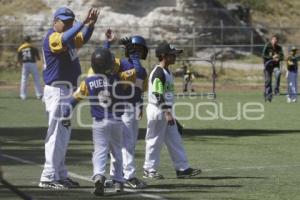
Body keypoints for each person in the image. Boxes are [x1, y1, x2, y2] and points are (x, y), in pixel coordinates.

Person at [39, 7, 99, 189]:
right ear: (55, 21)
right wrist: (81, 23)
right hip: (57, 91)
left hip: (67, 92)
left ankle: (60, 174)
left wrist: (91, 25)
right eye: (64, 22)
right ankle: (48, 176)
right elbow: (64, 38)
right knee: (56, 135)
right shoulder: (53, 37)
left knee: (63, 136)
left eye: (70, 22)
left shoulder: (69, 37)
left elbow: (83, 38)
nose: (68, 25)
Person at [64, 48, 126, 196]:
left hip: (99, 122)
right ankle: (118, 181)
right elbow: (129, 71)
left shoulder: (89, 81)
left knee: (99, 151)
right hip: (116, 121)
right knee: (117, 151)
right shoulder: (119, 78)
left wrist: (66, 113)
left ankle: (99, 176)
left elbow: (74, 99)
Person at [143, 42, 201, 179]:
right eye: (172, 54)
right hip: (158, 110)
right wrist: (167, 113)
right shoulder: (159, 72)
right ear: (163, 56)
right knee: (154, 141)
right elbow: (157, 94)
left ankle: (182, 169)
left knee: (175, 139)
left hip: (165, 110)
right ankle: (149, 169)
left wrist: (170, 115)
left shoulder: (167, 71)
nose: (175, 56)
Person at [100, 29, 148, 189]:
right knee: (127, 143)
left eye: (140, 50)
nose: (138, 52)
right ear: (129, 51)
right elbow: (103, 61)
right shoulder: (121, 63)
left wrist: (140, 106)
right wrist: (108, 43)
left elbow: (139, 86)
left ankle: (116, 176)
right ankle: (129, 176)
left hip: (132, 107)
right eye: (136, 49)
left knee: (123, 143)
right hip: (123, 107)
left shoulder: (142, 68)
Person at [17, 36, 43, 100]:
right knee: (36, 79)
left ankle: (23, 95)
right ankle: (39, 94)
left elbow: (19, 58)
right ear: (30, 40)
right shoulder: (33, 47)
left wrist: (20, 64)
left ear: (24, 40)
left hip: (24, 64)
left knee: (24, 80)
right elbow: (38, 58)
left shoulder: (20, 48)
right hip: (32, 64)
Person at [262, 35, 284, 102]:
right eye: (274, 40)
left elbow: (282, 56)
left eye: (276, 40)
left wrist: (278, 58)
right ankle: (268, 95)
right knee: (268, 81)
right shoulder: (267, 46)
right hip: (268, 66)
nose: (275, 41)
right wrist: (272, 57)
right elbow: (263, 55)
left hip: (275, 66)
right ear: (271, 40)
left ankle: (276, 89)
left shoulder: (279, 48)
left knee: (278, 73)